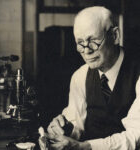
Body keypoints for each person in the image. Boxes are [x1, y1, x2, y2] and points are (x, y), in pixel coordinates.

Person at [46, 6, 140, 150]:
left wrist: (85, 146)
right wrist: (65, 128)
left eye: (93, 41)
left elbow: (134, 137)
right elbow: (77, 125)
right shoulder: (80, 76)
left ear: (114, 36)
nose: (87, 51)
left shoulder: (137, 73)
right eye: (80, 43)